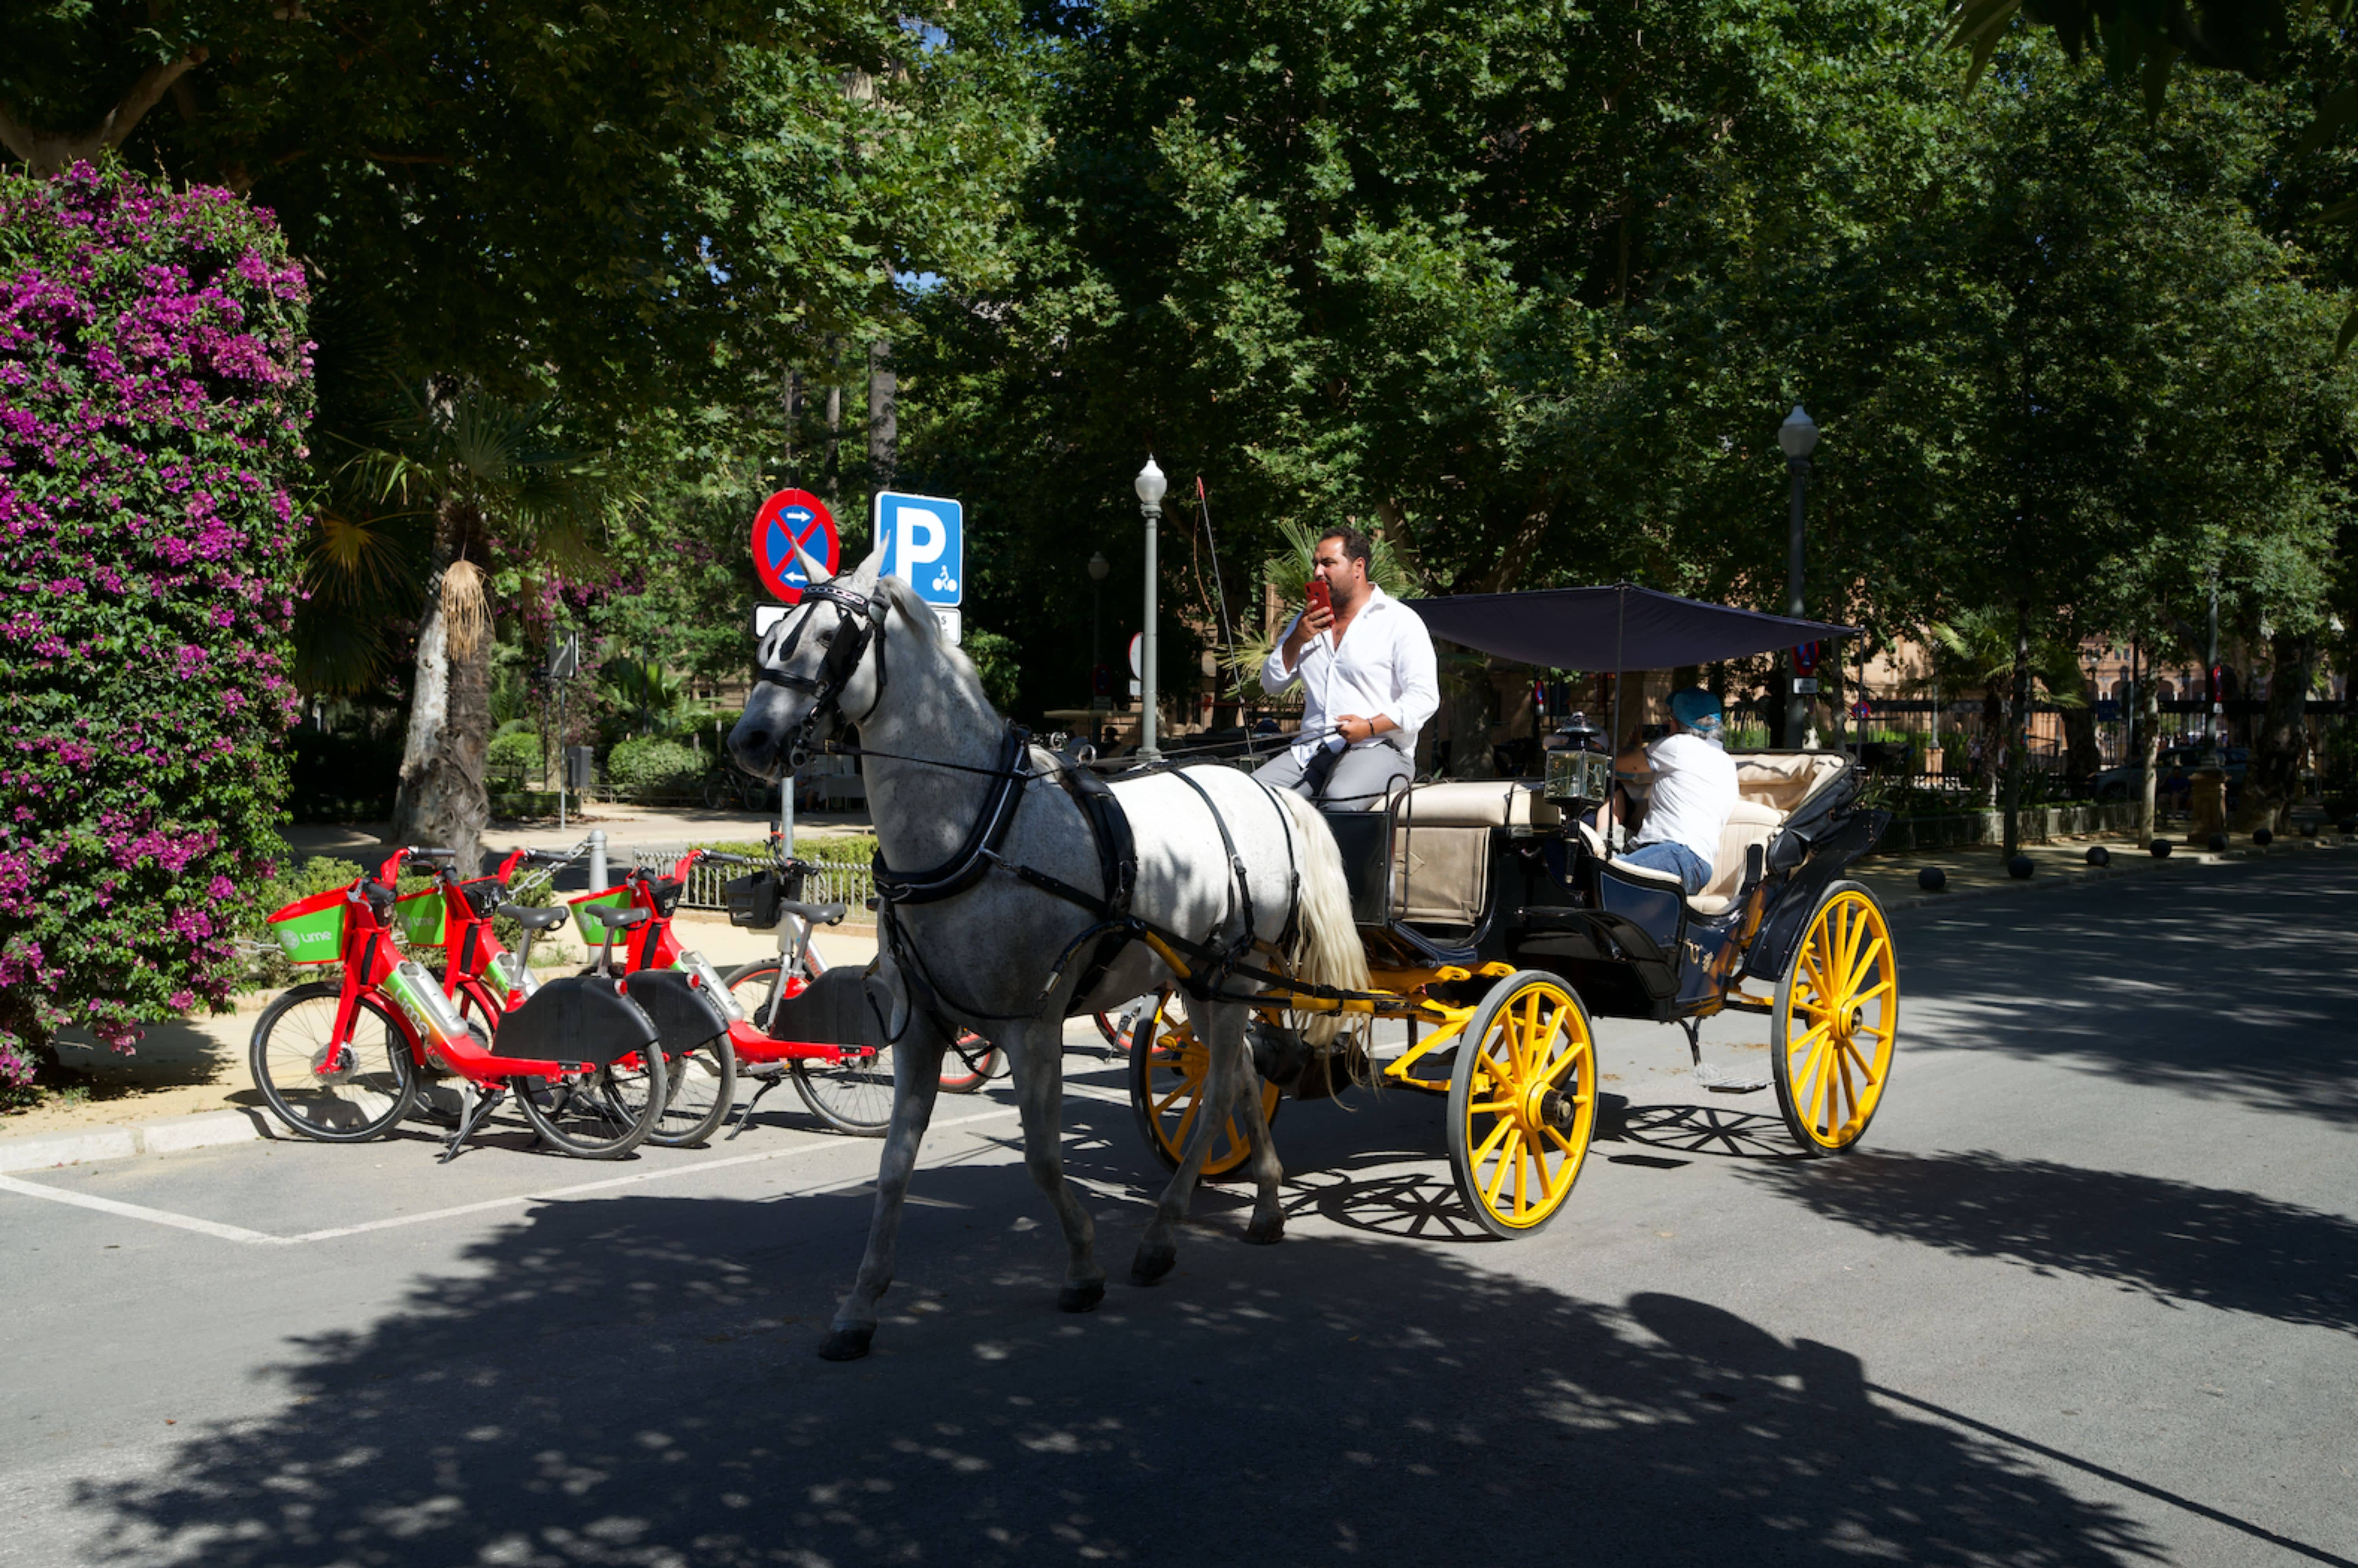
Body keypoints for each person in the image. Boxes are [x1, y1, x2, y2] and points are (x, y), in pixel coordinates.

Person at [1256, 526, 1439, 806]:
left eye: (1328, 563)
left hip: (1378, 748)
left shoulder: (1400, 621)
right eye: (1316, 563)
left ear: (1358, 567)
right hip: (1310, 752)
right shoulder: (1305, 621)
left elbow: (1424, 698)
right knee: (1249, 798)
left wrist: (1370, 726)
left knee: (1339, 801)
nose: (1318, 572)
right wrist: (1296, 639)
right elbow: (1271, 683)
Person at [1614, 687, 1739, 895]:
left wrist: (1633, 743)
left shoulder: (1677, 745)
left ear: (1676, 723)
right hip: (1699, 865)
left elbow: (1622, 766)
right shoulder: (1727, 762)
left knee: (1603, 876)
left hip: (1675, 853)